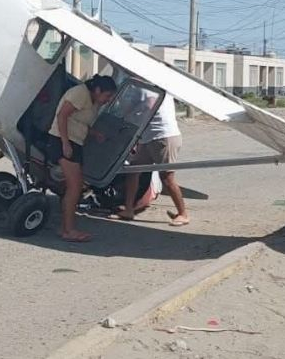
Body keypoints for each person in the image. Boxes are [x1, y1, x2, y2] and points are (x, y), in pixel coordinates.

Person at [47, 74, 118, 242]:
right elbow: (62, 116)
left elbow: (78, 121)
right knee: (75, 187)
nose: (107, 100)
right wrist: (65, 144)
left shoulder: (92, 101)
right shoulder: (80, 93)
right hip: (63, 141)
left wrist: (94, 133)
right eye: (107, 96)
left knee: (74, 187)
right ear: (98, 90)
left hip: (75, 141)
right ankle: (69, 230)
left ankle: (65, 227)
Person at [120, 92, 189, 225]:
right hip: (147, 136)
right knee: (133, 170)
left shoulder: (151, 86)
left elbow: (150, 103)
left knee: (167, 178)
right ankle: (129, 210)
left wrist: (128, 113)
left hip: (163, 136)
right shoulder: (139, 86)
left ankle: (183, 214)